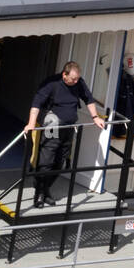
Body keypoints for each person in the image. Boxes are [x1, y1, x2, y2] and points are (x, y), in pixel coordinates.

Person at [23, 62, 106, 208]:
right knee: (46, 161)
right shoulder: (51, 83)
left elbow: (88, 99)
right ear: (64, 75)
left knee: (60, 162)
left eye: (77, 79)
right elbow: (36, 104)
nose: (75, 82)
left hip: (68, 128)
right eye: (73, 79)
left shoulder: (78, 83)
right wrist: (31, 123)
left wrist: (95, 117)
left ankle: (45, 188)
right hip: (52, 126)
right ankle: (40, 194)